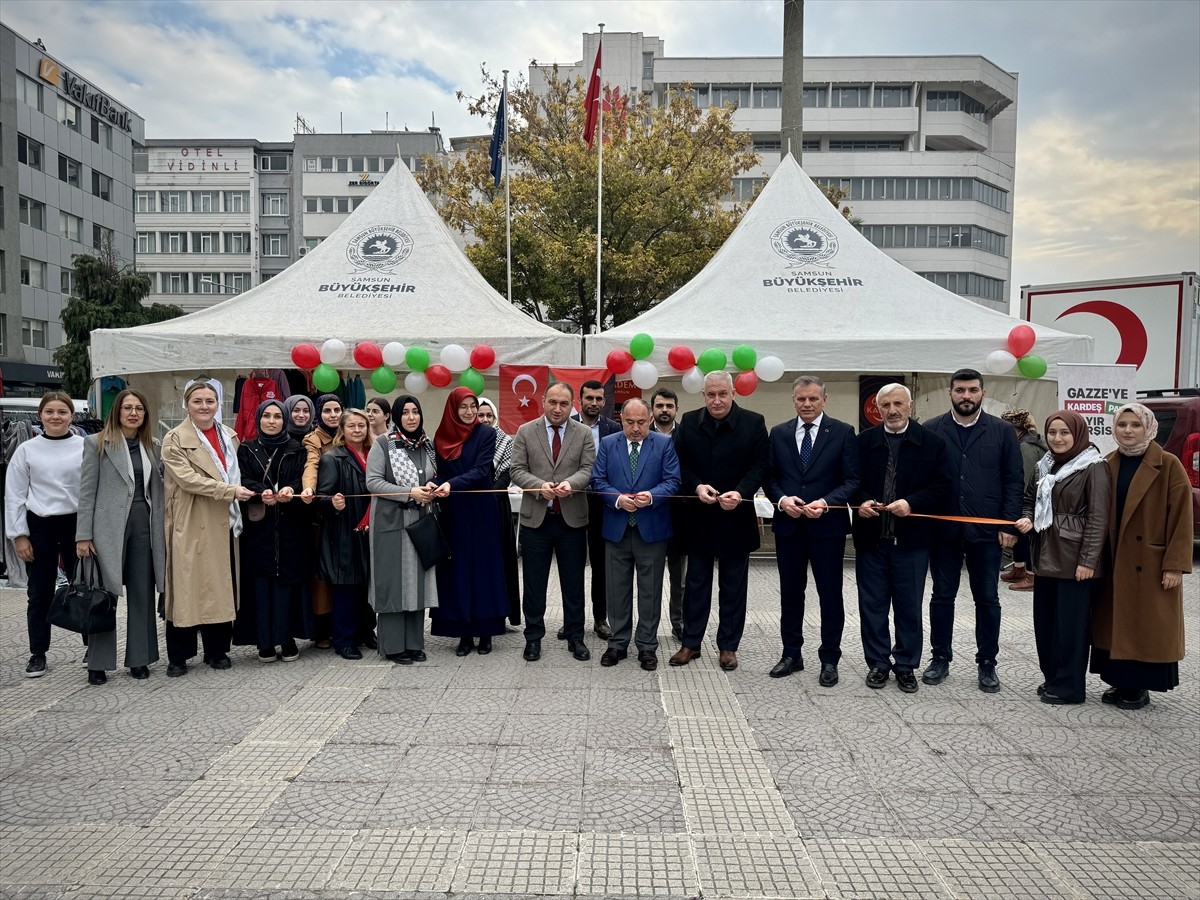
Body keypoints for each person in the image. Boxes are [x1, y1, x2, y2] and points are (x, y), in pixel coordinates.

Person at [921, 369, 1024, 693]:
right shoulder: (932, 429)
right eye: (961, 390)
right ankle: (940, 658)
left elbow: (1013, 479)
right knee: (941, 596)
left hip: (987, 531)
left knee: (988, 598)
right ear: (950, 393)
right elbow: (924, 480)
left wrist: (1009, 523)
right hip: (943, 531)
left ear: (982, 392)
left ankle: (987, 663)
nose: (967, 395)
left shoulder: (1002, 431)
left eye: (973, 390)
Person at [1090, 403, 1190, 710]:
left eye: (1135, 425)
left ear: (1148, 428)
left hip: (1150, 561)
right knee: (1117, 623)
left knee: (1145, 625)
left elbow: (1182, 516)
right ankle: (1120, 682)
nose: (1128, 430)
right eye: (1122, 425)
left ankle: (1138, 687)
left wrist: (1174, 564)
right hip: (1117, 559)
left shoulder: (1168, 464)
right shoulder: (1108, 462)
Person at [853, 383, 951, 693]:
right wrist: (862, 500)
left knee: (909, 606)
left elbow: (943, 487)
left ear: (909, 406)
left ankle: (906, 664)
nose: (892, 410)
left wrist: (912, 503)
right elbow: (850, 480)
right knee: (872, 606)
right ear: (877, 409)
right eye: (886, 405)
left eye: (898, 404)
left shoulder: (932, 443)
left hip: (912, 542)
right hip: (872, 540)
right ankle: (879, 664)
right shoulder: (862, 442)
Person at [669, 371, 769, 672]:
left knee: (733, 586)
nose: (716, 400)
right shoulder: (688, 421)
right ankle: (691, 642)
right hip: (699, 516)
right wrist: (697, 486)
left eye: (722, 394)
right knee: (696, 583)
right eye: (710, 394)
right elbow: (679, 464)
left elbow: (761, 465)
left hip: (735, 516)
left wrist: (741, 492)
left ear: (733, 393)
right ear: (703, 395)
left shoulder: (754, 422)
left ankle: (728, 646)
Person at [764, 375, 860, 687]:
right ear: (794, 400)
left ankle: (829, 658)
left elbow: (852, 479)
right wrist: (781, 500)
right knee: (791, 595)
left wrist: (826, 501)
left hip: (827, 528)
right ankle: (791, 653)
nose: (807, 404)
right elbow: (770, 477)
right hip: (789, 527)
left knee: (830, 595)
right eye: (801, 399)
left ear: (824, 400)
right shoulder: (779, 433)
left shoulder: (843, 432)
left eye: (813, 399)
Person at [1014, 410, 1109, 705]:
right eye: (1053, 432)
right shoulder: (1046, 465)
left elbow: (1098, 518)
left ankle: (1071, 686)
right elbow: (1029, 499)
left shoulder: (1093, 466)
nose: (1057, 438)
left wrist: (1088, 561)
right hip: (1044, 556)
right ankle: (1052, 677)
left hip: (1074, 560)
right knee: (1046, 623)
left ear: (1078, 434)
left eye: (1065, 432)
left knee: (1071, 628)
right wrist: (1028, 518)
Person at [161, 380, 254, 676]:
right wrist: (228, 490)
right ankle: (180, 655)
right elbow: (188, 480)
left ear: (218, 404)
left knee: (219, 585)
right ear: (186, 405)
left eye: (210, 401)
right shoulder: (174, 439)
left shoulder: (230, 436)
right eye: (198, 401)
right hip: (192, 521)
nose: (204, 406)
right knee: (187, 588)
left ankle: (217, 650)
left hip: (225, 519)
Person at [76, 389, 165, 684]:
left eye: (139, 408)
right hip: (107, 527)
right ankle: (98, 663)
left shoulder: (152, 445)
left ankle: (140, 658)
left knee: (142, 593)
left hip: (144, 524)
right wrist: (83, 535)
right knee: (105, 595)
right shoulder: (96, 443)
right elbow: (87, 492)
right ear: (117, 411)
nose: (133, 413)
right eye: (127, 407)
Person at [591, 398, 680, 671]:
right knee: (617, 590)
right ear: (621, 419)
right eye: (630, 422)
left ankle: (647, 646)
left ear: (650, 418)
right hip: (617, 528)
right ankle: (617, 643)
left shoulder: (664, 444)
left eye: (641, 422)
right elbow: (597, 480)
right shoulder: (608, 444)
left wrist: (651, 496)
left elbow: (673, 481)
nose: (635, 428)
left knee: (650, 590)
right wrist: (617, 499)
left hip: (651, 529)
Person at [510, 382, 596, 662]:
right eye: (553, 402)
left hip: (572, 519)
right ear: (543, 401)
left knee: (573, 583)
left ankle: (575, 637)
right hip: (537, 519)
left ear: (573, 406)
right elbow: (517, 469)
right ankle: (533, 637)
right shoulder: (526, 431)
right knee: (534, 584)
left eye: (564, 404)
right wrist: (538, 486)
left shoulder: (583, 433)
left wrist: (571, 484)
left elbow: (588, 469)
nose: (558, 409)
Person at [5, 393, 85, 678]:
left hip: (77, 525)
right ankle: (38, 653)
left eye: (62, 412)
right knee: (39, 592)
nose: (56, 417)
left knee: (84, 587)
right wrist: (19, 535)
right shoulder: (27, 450)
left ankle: (93, 646)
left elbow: (92, 490)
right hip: (40, 524)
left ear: (71, 416)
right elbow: (14, 494)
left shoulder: (85, 446)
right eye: (49, 411)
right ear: (40, 415)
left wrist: (90, 532)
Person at [430, 387, 512, 654]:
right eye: (463, 407)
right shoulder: (440, 437)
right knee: (457, 569)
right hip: (453, 512)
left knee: (484, 568)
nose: (468, 412)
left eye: (472, 406)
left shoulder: (486, 434)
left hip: (480, 511)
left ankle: (486, 631)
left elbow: (479, 471)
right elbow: (439, 473)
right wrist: (433, 485)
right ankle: (463, 633)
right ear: (453, 409)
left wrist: (449, 484)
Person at [233, 400, 311, 663]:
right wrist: (258, 492)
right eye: (267, 416)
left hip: (290, 528)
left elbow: (304, 477)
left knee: (286, 585)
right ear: (258, 419)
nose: (272, 421)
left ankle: (286, 638)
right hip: (258, 530)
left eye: (278, 416)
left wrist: (291, 488)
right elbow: (239, 478)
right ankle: (264, 642)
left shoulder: (295, 449)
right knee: (261, 585)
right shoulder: (246, 449)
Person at [366, 395, 438, 664]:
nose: (411, 417)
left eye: (415, 411)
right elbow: (373, 482)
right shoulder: (384, 444)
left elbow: (434, 474)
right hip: (391, 523)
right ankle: (394, 646)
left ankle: (414, 644)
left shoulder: (427, 445)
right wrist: (409, 493)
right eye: (405, 412)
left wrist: (432, 488)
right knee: (393, 584)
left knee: (417, 583)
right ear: (396, 416)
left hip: (420, 522)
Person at [316, 409, 375, 660]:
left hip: (373, 530)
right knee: (347, 588)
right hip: (345, 532)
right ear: (342, 430)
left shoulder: (375, 455)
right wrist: (332, 503)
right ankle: (343, 639)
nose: (357, 430)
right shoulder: (333, 458)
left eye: (362, 425)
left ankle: (366, 631)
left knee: (368, 585)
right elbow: (320, 497)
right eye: (352, 426)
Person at [571, 379, 620, 641]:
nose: (594, 403)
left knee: (602, 566)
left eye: (599, 399)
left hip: (603, 506)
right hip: (573, 503)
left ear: (604, 401)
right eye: (589, 398)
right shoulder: (568, 426)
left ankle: (601, 619)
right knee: (573, 564)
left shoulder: (614, 429)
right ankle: (573, 619)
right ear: (580, 400)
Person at [475, 396, 521, 628]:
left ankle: (500, 613)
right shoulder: (466, 438)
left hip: (496, 507)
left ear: (495, 417)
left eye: (488, 415)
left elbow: (507, 473)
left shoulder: (504, 440)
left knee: (499, 562)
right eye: (479, 415)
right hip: (470, 508)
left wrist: (489, 496)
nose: (484, 419)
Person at [302, 394, 342, 648]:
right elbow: (311, 465)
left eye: (337, 409)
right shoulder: (313, 439)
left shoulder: (348, 432)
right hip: (323, 511)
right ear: (319, 414)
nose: (333, 415)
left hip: (348, 510)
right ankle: (323, 631)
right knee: (323, 578)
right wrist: (309, 490)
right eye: (327, 410)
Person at [651, 387, 687, 643]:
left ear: (676, 409)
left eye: (669, 406)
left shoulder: (687, 434)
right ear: (652, 408)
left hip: (680, 514)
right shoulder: (642, 432)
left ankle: (679, 623)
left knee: (680, 577)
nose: (664, 410)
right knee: (649, 575)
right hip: (649, 513)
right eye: (659, 405)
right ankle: (648, 625)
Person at [999, 409, 1046, 592]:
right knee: (1019, 535)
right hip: (1029, 498)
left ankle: (1031, 576)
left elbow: (1024, 478)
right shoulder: (1029, 441)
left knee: (1026, 537)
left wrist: (1017, 500)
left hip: (1029, 499)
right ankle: (1019, 569)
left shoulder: (1026, 447)